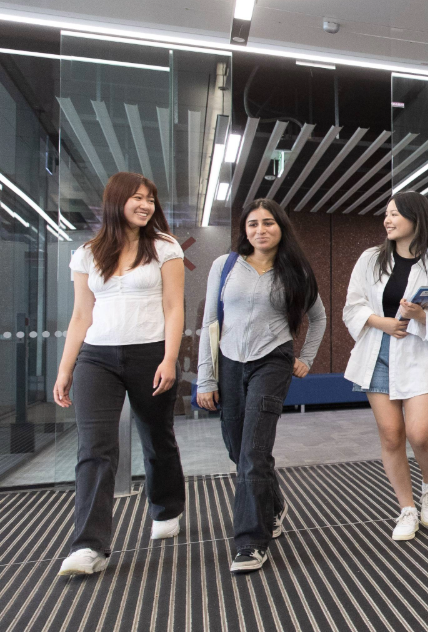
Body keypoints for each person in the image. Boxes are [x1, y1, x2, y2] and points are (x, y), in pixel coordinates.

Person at [55, 172, 186, 577]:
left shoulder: (165, 247)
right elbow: (80, 315)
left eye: (150, 199)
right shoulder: (87, 253)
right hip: (97, 359)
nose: (145, 205)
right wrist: (65, 369)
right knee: (95, 447)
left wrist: (169, 359)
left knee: (156, 435)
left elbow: (173, 308)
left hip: (151, 354)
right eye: (137, 198)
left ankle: (165, 507)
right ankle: (89, 546)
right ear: (116, 201)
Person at [196, 199, 326, 574]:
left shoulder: (295, 270)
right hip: (230, 362)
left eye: (268, 223)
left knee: (254, 448)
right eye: (252, 224)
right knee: (238, 447)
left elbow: (318, 319)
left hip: (273, 360)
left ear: (281, 227)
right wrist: (207, 377)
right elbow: (209, 323)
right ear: (244, 230)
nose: (260, 230)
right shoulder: (225, 266)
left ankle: (250, 542)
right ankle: (273, 503)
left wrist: (307, 358)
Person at [343, 191, 428, 541]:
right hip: (377, 354)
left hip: (419, 357)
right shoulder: (370, 259)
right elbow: (352, 306)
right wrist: (382, 322)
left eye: (395, 214)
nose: (388, 220)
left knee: (420, 432)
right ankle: (406, 509)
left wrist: (421, 315)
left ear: (416, 219)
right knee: (392, 434)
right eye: (386, 214)